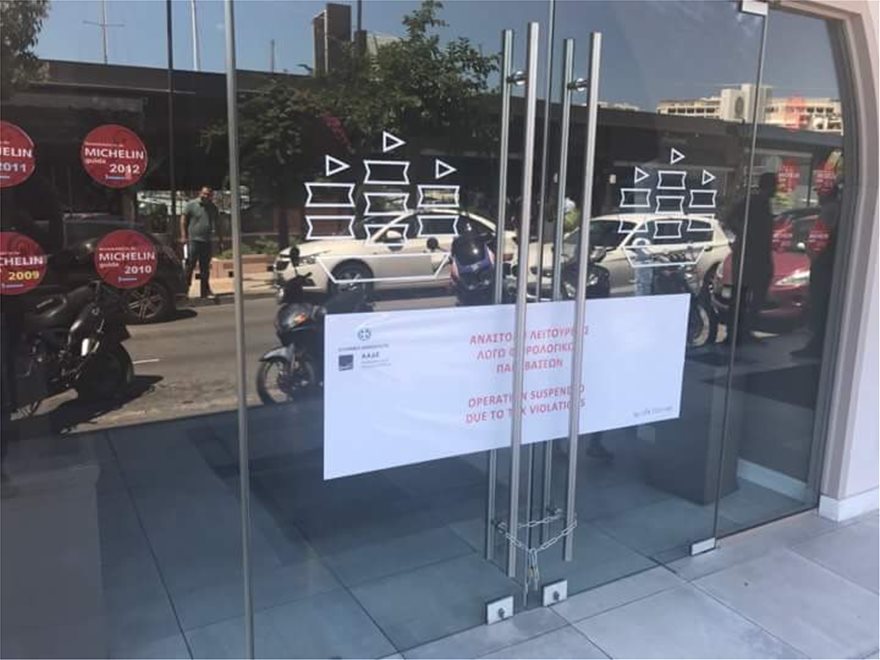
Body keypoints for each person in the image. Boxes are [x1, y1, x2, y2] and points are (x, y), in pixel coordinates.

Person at [724, 172, 777, 343]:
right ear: (769, 186)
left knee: (755, 295)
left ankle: (745, 330)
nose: (776, 189)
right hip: (748, 256)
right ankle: (734, 334)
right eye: (774, 185)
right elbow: (729, 218)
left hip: (760, 256)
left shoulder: (765, 204)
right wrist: (745, 234)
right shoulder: (752, 201)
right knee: (741, 295)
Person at [180, 187, 222, 299]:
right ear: (200, 193)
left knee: (205, 268)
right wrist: (184, 236)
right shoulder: (191, 205)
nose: (206, 196)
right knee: (190, 265)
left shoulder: (213, 207)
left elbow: (218, 223)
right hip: (193, 240)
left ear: (211, 196)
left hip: (206, 241)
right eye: (204, 194)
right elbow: (183, 220)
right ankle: (184, 291)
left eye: (208, 194)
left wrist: (220, 239)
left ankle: (205, 291)